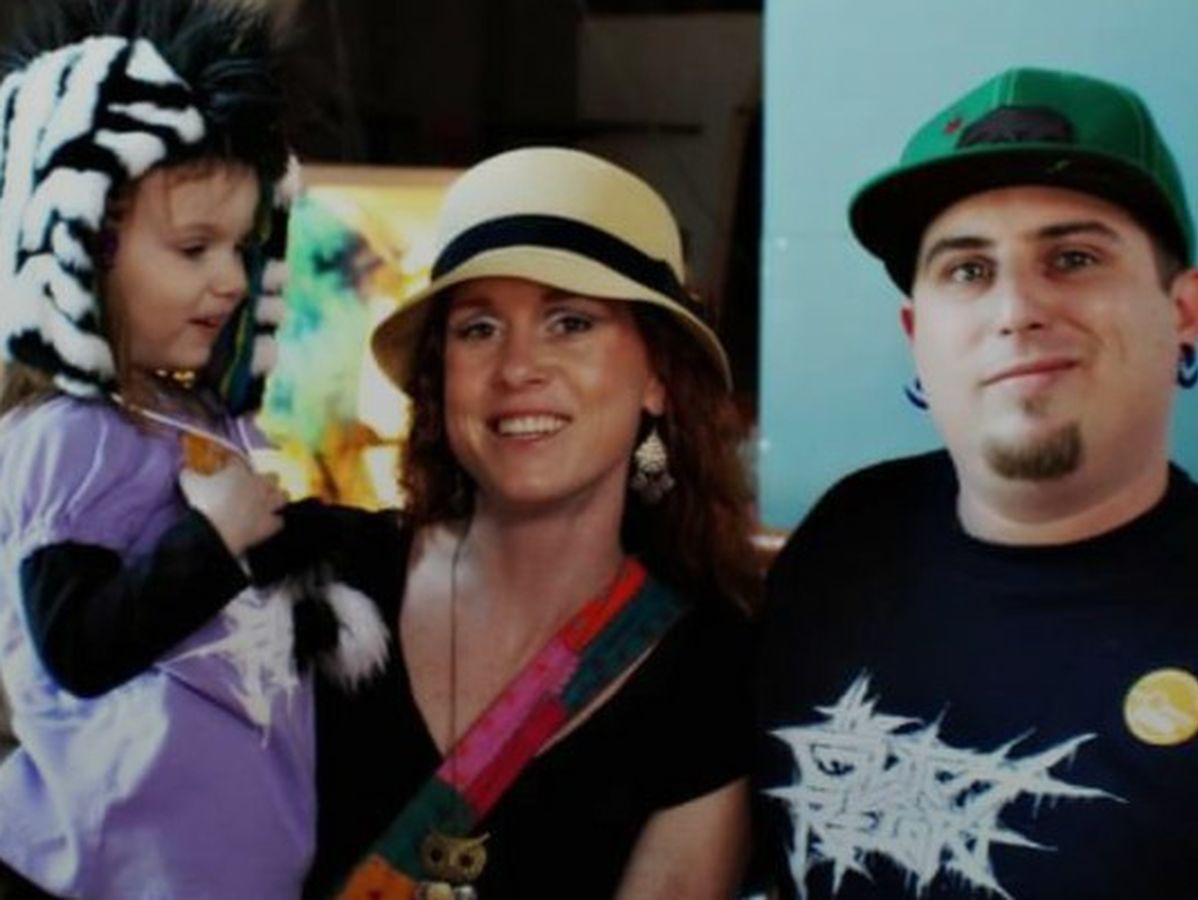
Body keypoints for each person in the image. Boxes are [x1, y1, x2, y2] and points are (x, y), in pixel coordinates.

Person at [754, 66, 1198, 899]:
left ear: (1184, 312)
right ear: (917, 335)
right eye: (967, 271)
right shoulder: (848, 537)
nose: (1016, 309)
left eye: (1073, 258)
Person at [0, 1, 387, 897]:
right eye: (193, 247)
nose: (230, 279)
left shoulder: (192, 416)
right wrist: (215, 539)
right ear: (85, 247)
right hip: (106, 872)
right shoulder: (67, 436)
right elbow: (79, 648)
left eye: (241, 248)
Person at [303, 146, 760, 900]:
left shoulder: (709, 670)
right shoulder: (322, 579)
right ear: (440, 376)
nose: (517, 367)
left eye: (570, 322)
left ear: (656, 376)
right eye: (478, 328)